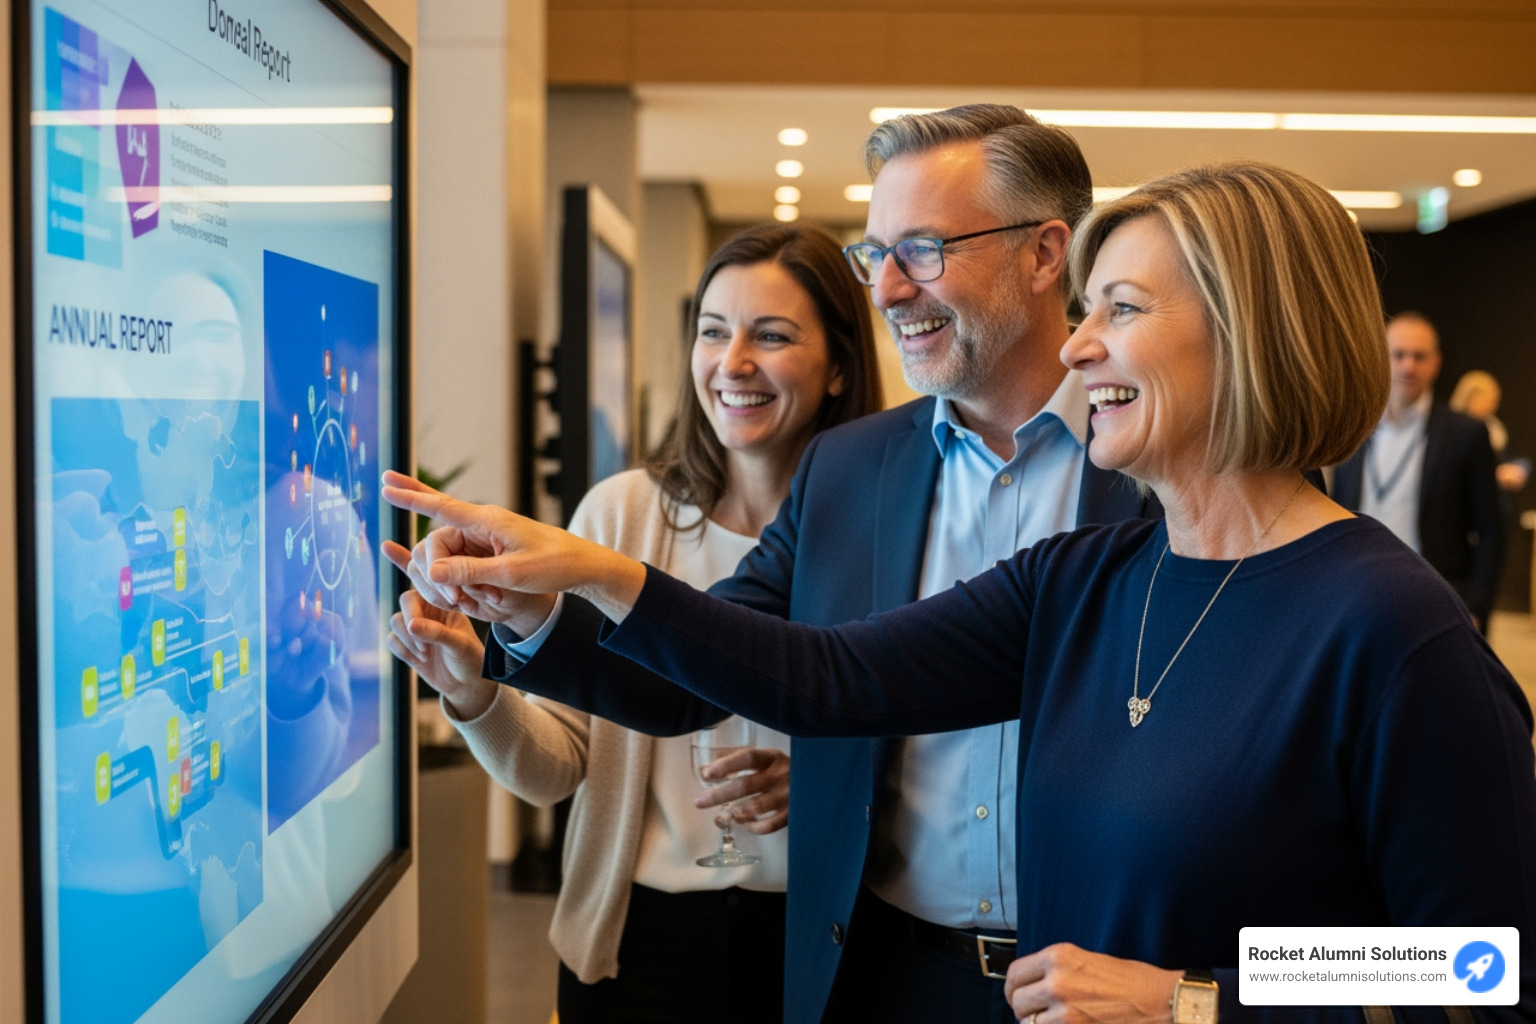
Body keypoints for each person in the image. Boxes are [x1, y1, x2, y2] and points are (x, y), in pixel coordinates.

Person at [383, 162, 1536, 1023]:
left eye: (1121, 310)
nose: (1076, 346)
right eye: (1086, 308)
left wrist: (1196, 999)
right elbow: (826, 674)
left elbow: (1482, 964)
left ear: (1251, 334)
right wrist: (592, 572)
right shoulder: (1085, 579)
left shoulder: (1393, 629)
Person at [460, 104, 1159, 1023]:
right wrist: (534, 606)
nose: (888, 290)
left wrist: (1194, 999)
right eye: (876, 256)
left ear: (1044, 254)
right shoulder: (851, 470)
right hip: (889, 979)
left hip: (1104, 985)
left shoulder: (1180, 487)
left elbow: (1358, 962)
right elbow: (751, 670)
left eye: (923, 250)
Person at [383, 222, 883, 1023]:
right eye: (712, 331)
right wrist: (475, 694)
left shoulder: (883, 530)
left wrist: (828, 783)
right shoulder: (621, 517)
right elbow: (557, 769)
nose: (733, 362)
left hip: (822, 930)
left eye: (772, 335)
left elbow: (934, 746)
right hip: (641, 935)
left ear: (839, 367)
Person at [1333, 312, 1506, 628]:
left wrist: (1476, 607)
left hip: (1437, 602)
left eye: (1419, 356)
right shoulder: (1352, 432)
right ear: (1380, 359)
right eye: (1398, 355)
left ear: (1436, 363)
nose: (1408, 366)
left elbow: (1491, 529)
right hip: (1355, 596)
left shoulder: (1465, 434)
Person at [1450, 369, 1529, 492]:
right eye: (1489, 399)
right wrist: (1493, 475)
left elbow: (1507, 457)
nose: (1493, 405)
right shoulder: (1453, 429)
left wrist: (1519, 467)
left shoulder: (1494, 427)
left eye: (1495, 400)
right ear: (1471, 398)